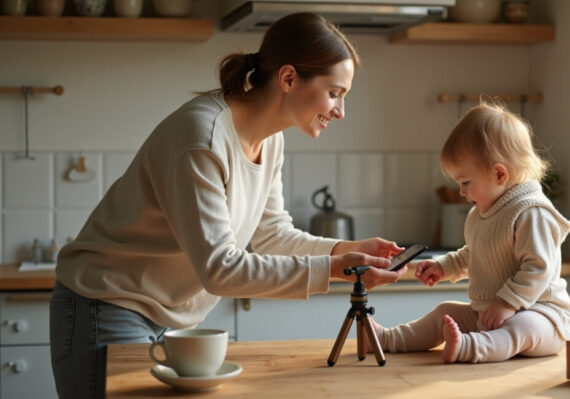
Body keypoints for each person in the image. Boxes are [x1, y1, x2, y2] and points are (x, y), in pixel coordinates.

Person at [49, 12, 408, 399]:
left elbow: (272, 235)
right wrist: (333, 269)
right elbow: (220, 269)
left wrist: (346, 253)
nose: (340, 110)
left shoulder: (271, 140)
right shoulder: (202, 139)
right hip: (106, 306)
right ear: (288, 78)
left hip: (172, 319)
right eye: (335, 92)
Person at [368, 102, 570, 363]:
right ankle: (387, 339)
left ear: (499, 174)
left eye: (466, 182)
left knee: (521, 328)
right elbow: (475, 254)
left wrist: (508, 304)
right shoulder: (482, 214)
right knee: (445, 312)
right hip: (489, 313)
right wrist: (444, 267)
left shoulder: (531, 212)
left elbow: (539, 268)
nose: (461, 192)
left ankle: (469, 347)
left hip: (543, 316)